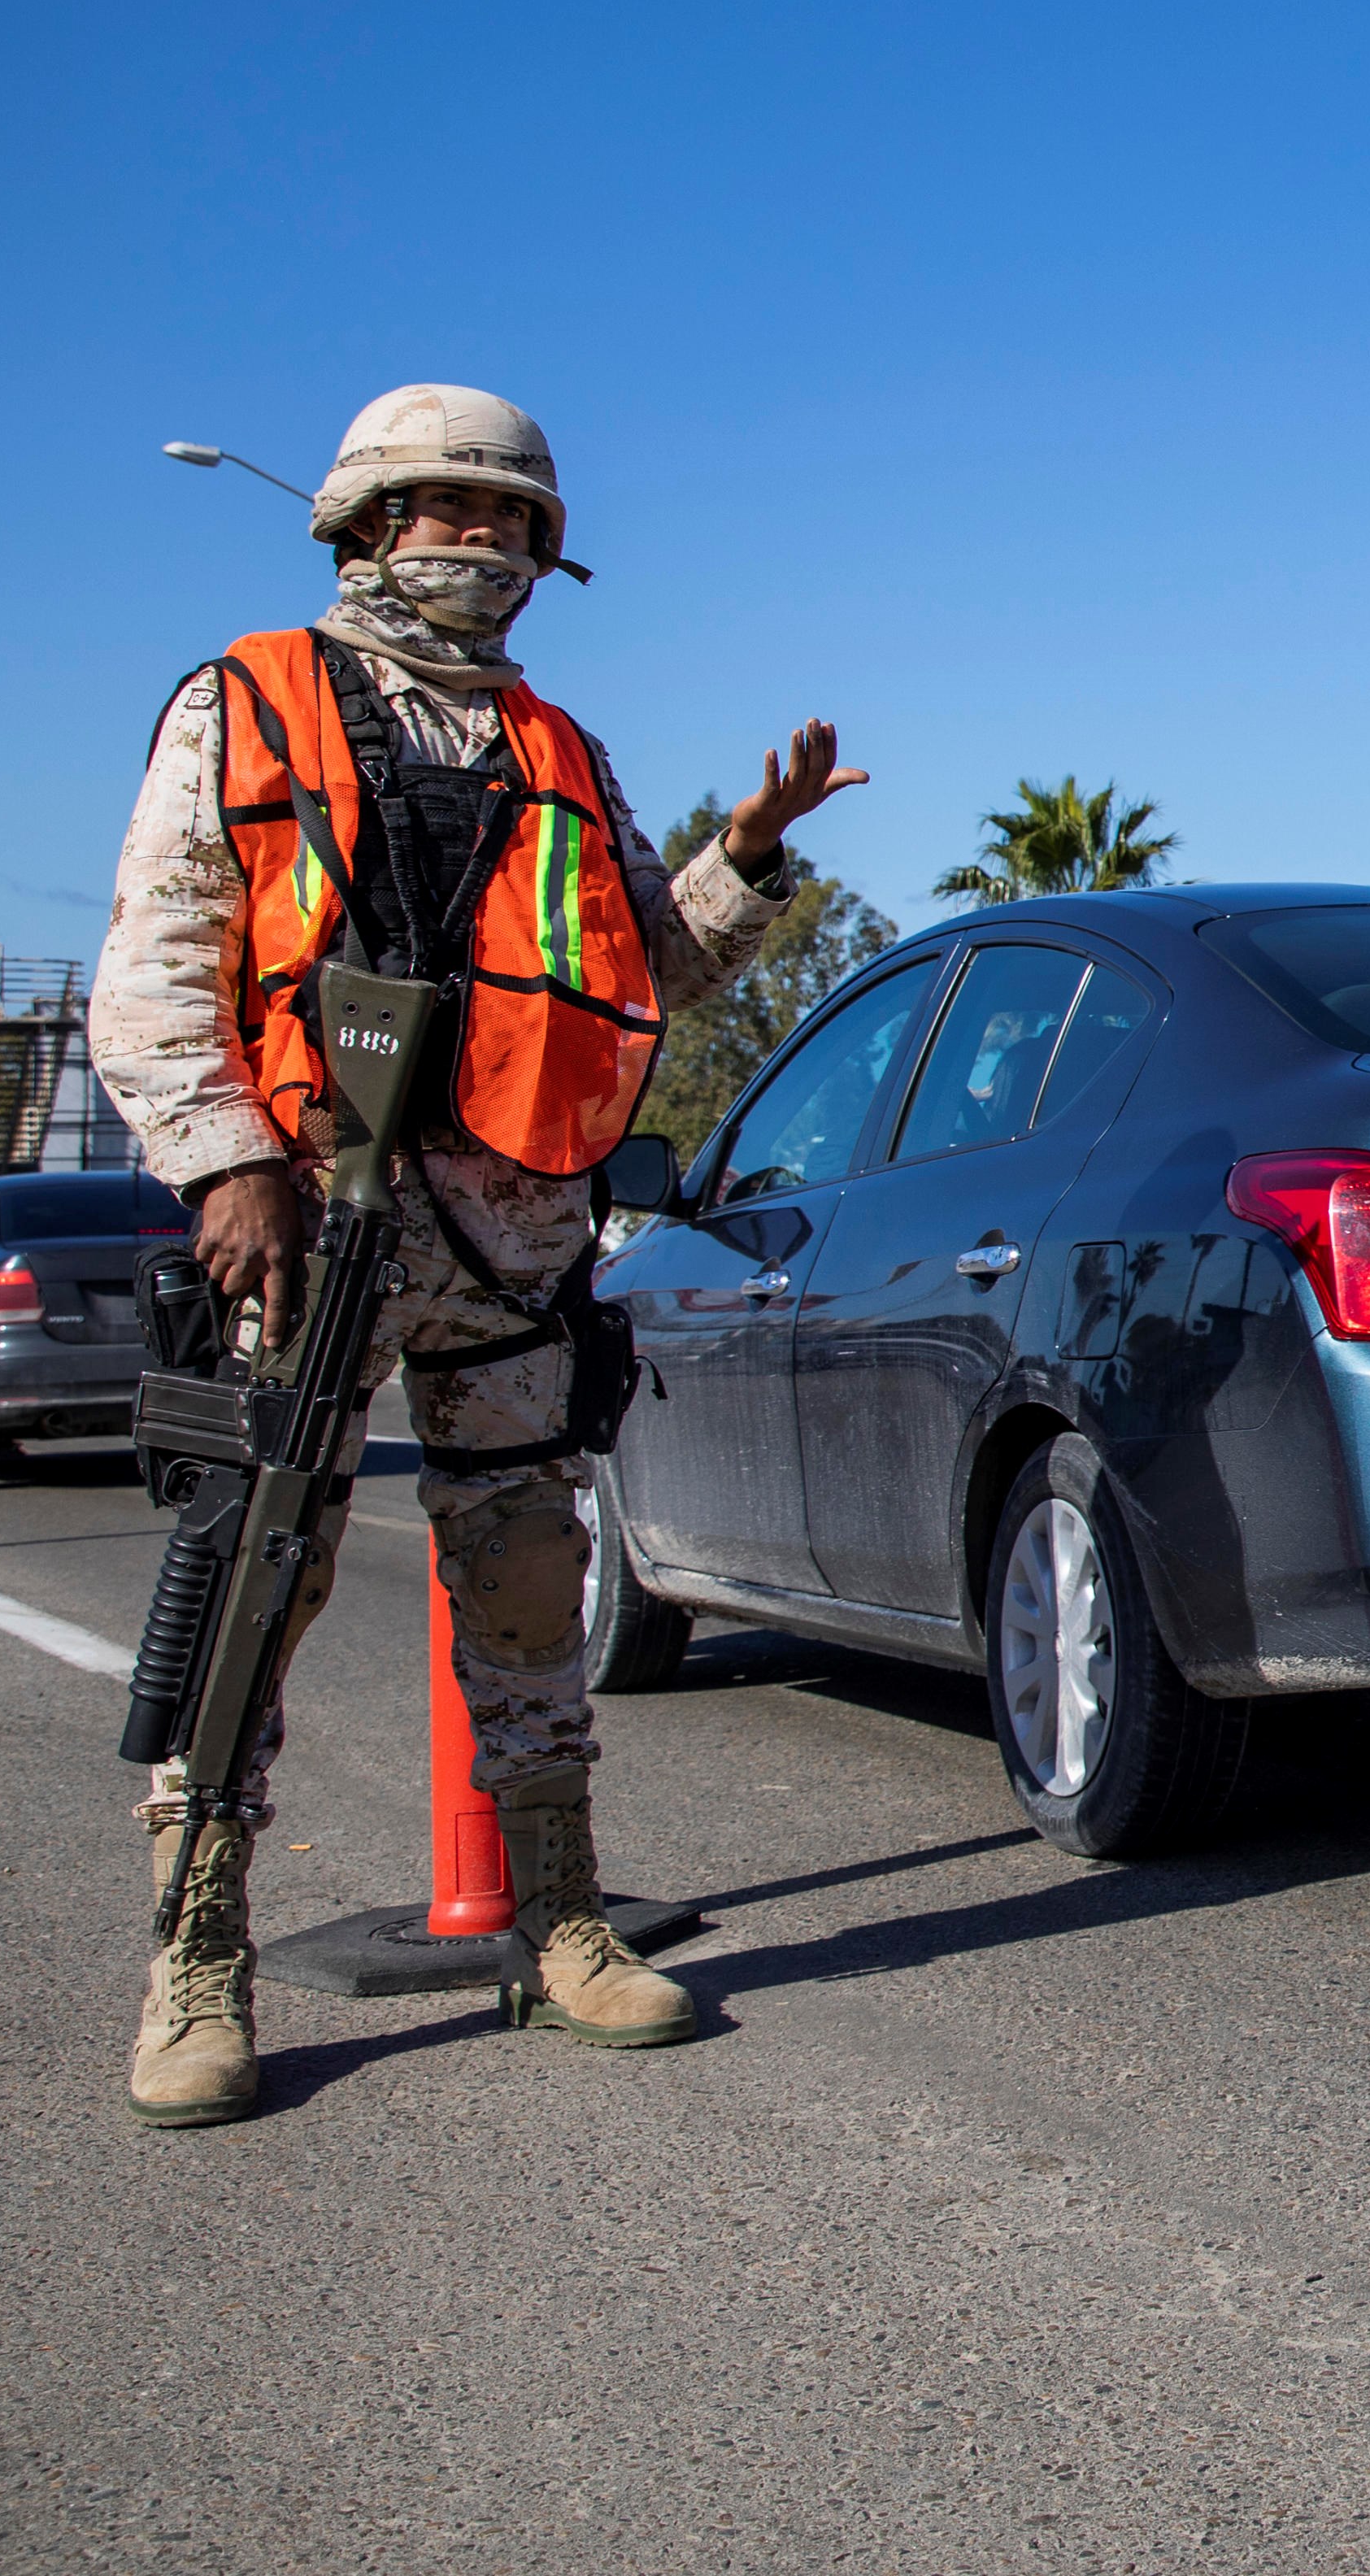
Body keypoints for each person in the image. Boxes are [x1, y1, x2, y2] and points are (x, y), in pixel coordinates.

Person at [94, 382, 864, 2127]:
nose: (485, 543)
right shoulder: (245, 703)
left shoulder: (559, 749)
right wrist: (227, 1164)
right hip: (309, 1214)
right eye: (450, 510)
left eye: (515, 520)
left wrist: (746, 855)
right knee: (258, 1577)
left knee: (526, 1575)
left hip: (511, 1233)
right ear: (364, 523)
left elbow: (634, 972)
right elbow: (153, 967)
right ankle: (197, 1955)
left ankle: (563, 1921)